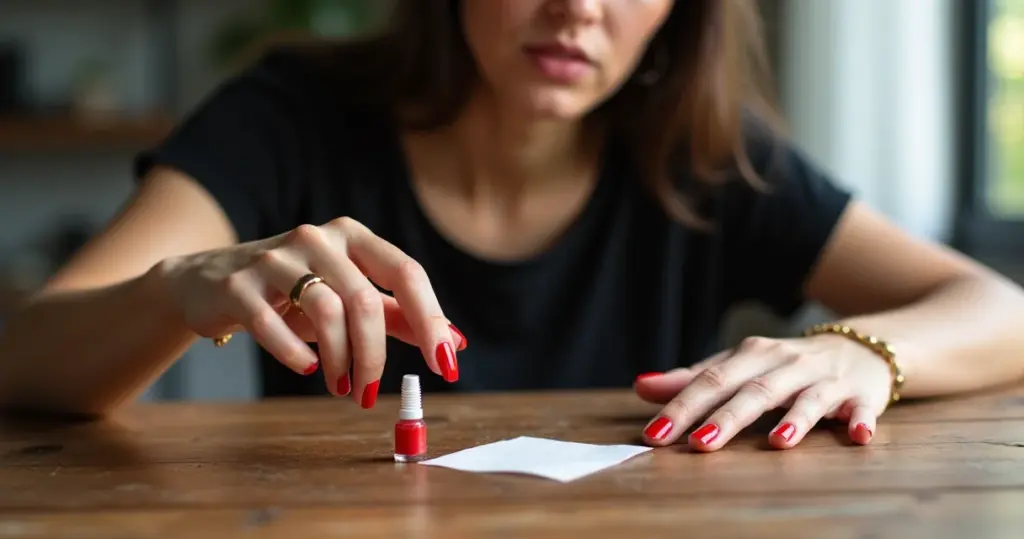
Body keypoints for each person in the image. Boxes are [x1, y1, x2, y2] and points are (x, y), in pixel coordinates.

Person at [1, 0, 1022, 453]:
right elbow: (25, 357)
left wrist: (861, 349)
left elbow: (999, 310)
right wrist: (173, 288)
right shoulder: (287, 116)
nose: (578, 8)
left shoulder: (706, 157)